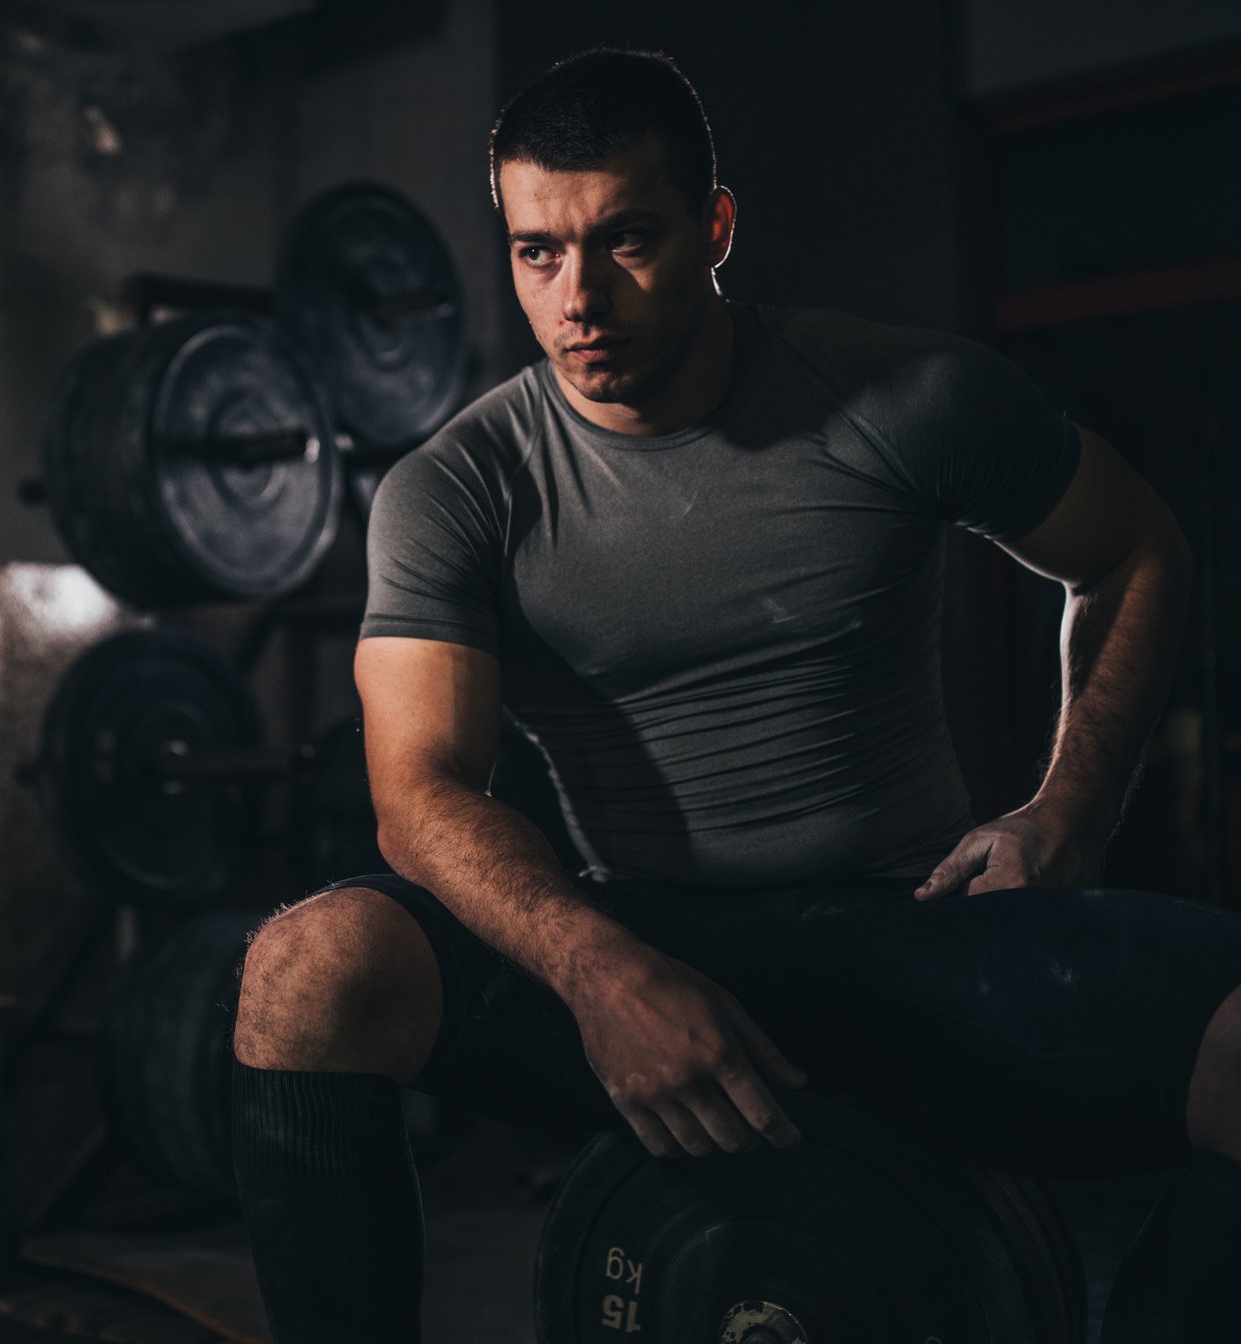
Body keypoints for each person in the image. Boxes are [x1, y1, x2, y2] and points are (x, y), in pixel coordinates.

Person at [229, 45, 1241, 1343]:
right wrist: (600, 973)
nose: (578, 296)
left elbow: (1134, 548)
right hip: (639, 936)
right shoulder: (459, 487)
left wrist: (1069, 809)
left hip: (911, 928)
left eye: (627, 240)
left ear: (715, 226)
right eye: (539, 252)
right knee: (308, 969)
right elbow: (419, 794)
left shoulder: (905, 399)